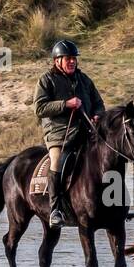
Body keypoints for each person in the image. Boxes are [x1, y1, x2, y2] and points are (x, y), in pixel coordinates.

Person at [33, 39, 105, 228]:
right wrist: (65, 104)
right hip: (58, 134)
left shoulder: (84, 80)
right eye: (68, 59)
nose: (72, 61)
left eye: (74, 58)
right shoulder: (46, 80)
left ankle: (116, 205)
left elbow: (99, 102)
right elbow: (39, 108)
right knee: (58, 160)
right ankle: (55, 209)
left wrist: (97, 115)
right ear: (57, 61)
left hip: (86, 132)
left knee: (108, 157)